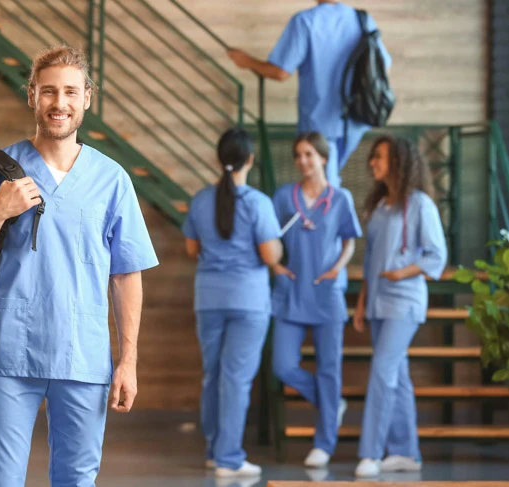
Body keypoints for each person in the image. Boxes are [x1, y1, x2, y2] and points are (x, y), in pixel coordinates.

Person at [0, 45, 159, 487]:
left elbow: (125, 274)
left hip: (83, 357)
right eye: (49, 92)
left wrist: (128, 361)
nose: (60, 103)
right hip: (10, 355)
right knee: (0, 480)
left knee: (76, 481)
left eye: (71, 92)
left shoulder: (112, 179)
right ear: (32, 96)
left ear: (87, 99)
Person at [182, 128, 283, 478]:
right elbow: (270, 255)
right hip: (248, 301)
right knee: (236, 379)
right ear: (250, 160)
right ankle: (229, 458)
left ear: (218, 159)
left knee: (213, 375)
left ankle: (214, 452)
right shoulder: (258, 203)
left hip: (209, 298)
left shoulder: (200, 200)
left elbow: (192, 250)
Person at [353, 135, 448, 478]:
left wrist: (401, 273)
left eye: (378, 157)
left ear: (398, 161)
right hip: (378, 302)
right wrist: (362, 303)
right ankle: (407, 451)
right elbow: (370, 262)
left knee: (382, 370)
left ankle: (371, 453)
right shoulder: (380, 207)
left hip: (404, 302)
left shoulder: (421, 205)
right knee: (398, 376)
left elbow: (437, 255)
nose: (372, 163)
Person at [227, 0, 392, 187]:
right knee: (329, 181)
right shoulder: (362, 20)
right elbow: (383, 65)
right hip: (355, 120)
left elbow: (280, 72)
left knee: (323, 188)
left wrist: (246, 61)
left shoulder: (305, 21)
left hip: (318, 123)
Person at [270, 132, 361, 468]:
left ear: (324, 158)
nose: (303, 161)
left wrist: (337, 268)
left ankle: (324, 444)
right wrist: (276, 265)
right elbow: (269, 238)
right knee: (282, 365)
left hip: (327, 294)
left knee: (329, 372)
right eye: (298, 155)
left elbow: (349, 240)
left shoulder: (340, 200)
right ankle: (331, 405)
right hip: (291, 292)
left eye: (309, 154)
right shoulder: (284, 197)